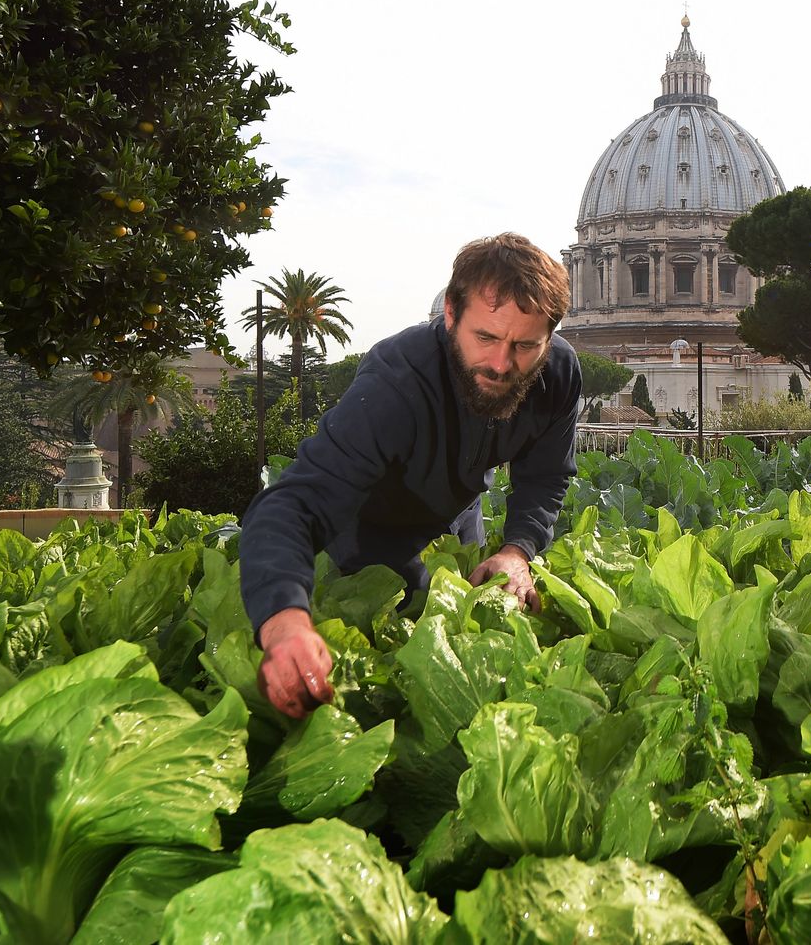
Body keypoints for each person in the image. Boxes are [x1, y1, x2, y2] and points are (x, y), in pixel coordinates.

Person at [241, 233, 582, 718]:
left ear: (549, 336)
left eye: (525, 345)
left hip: (460, 522)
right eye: (485, 337)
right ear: (450, 314)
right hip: (367, 541)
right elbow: (292, 505)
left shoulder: (559, 373)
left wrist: (517, 550)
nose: (502, 364)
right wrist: (284, 623)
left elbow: (545, 478)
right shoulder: (395, 383)